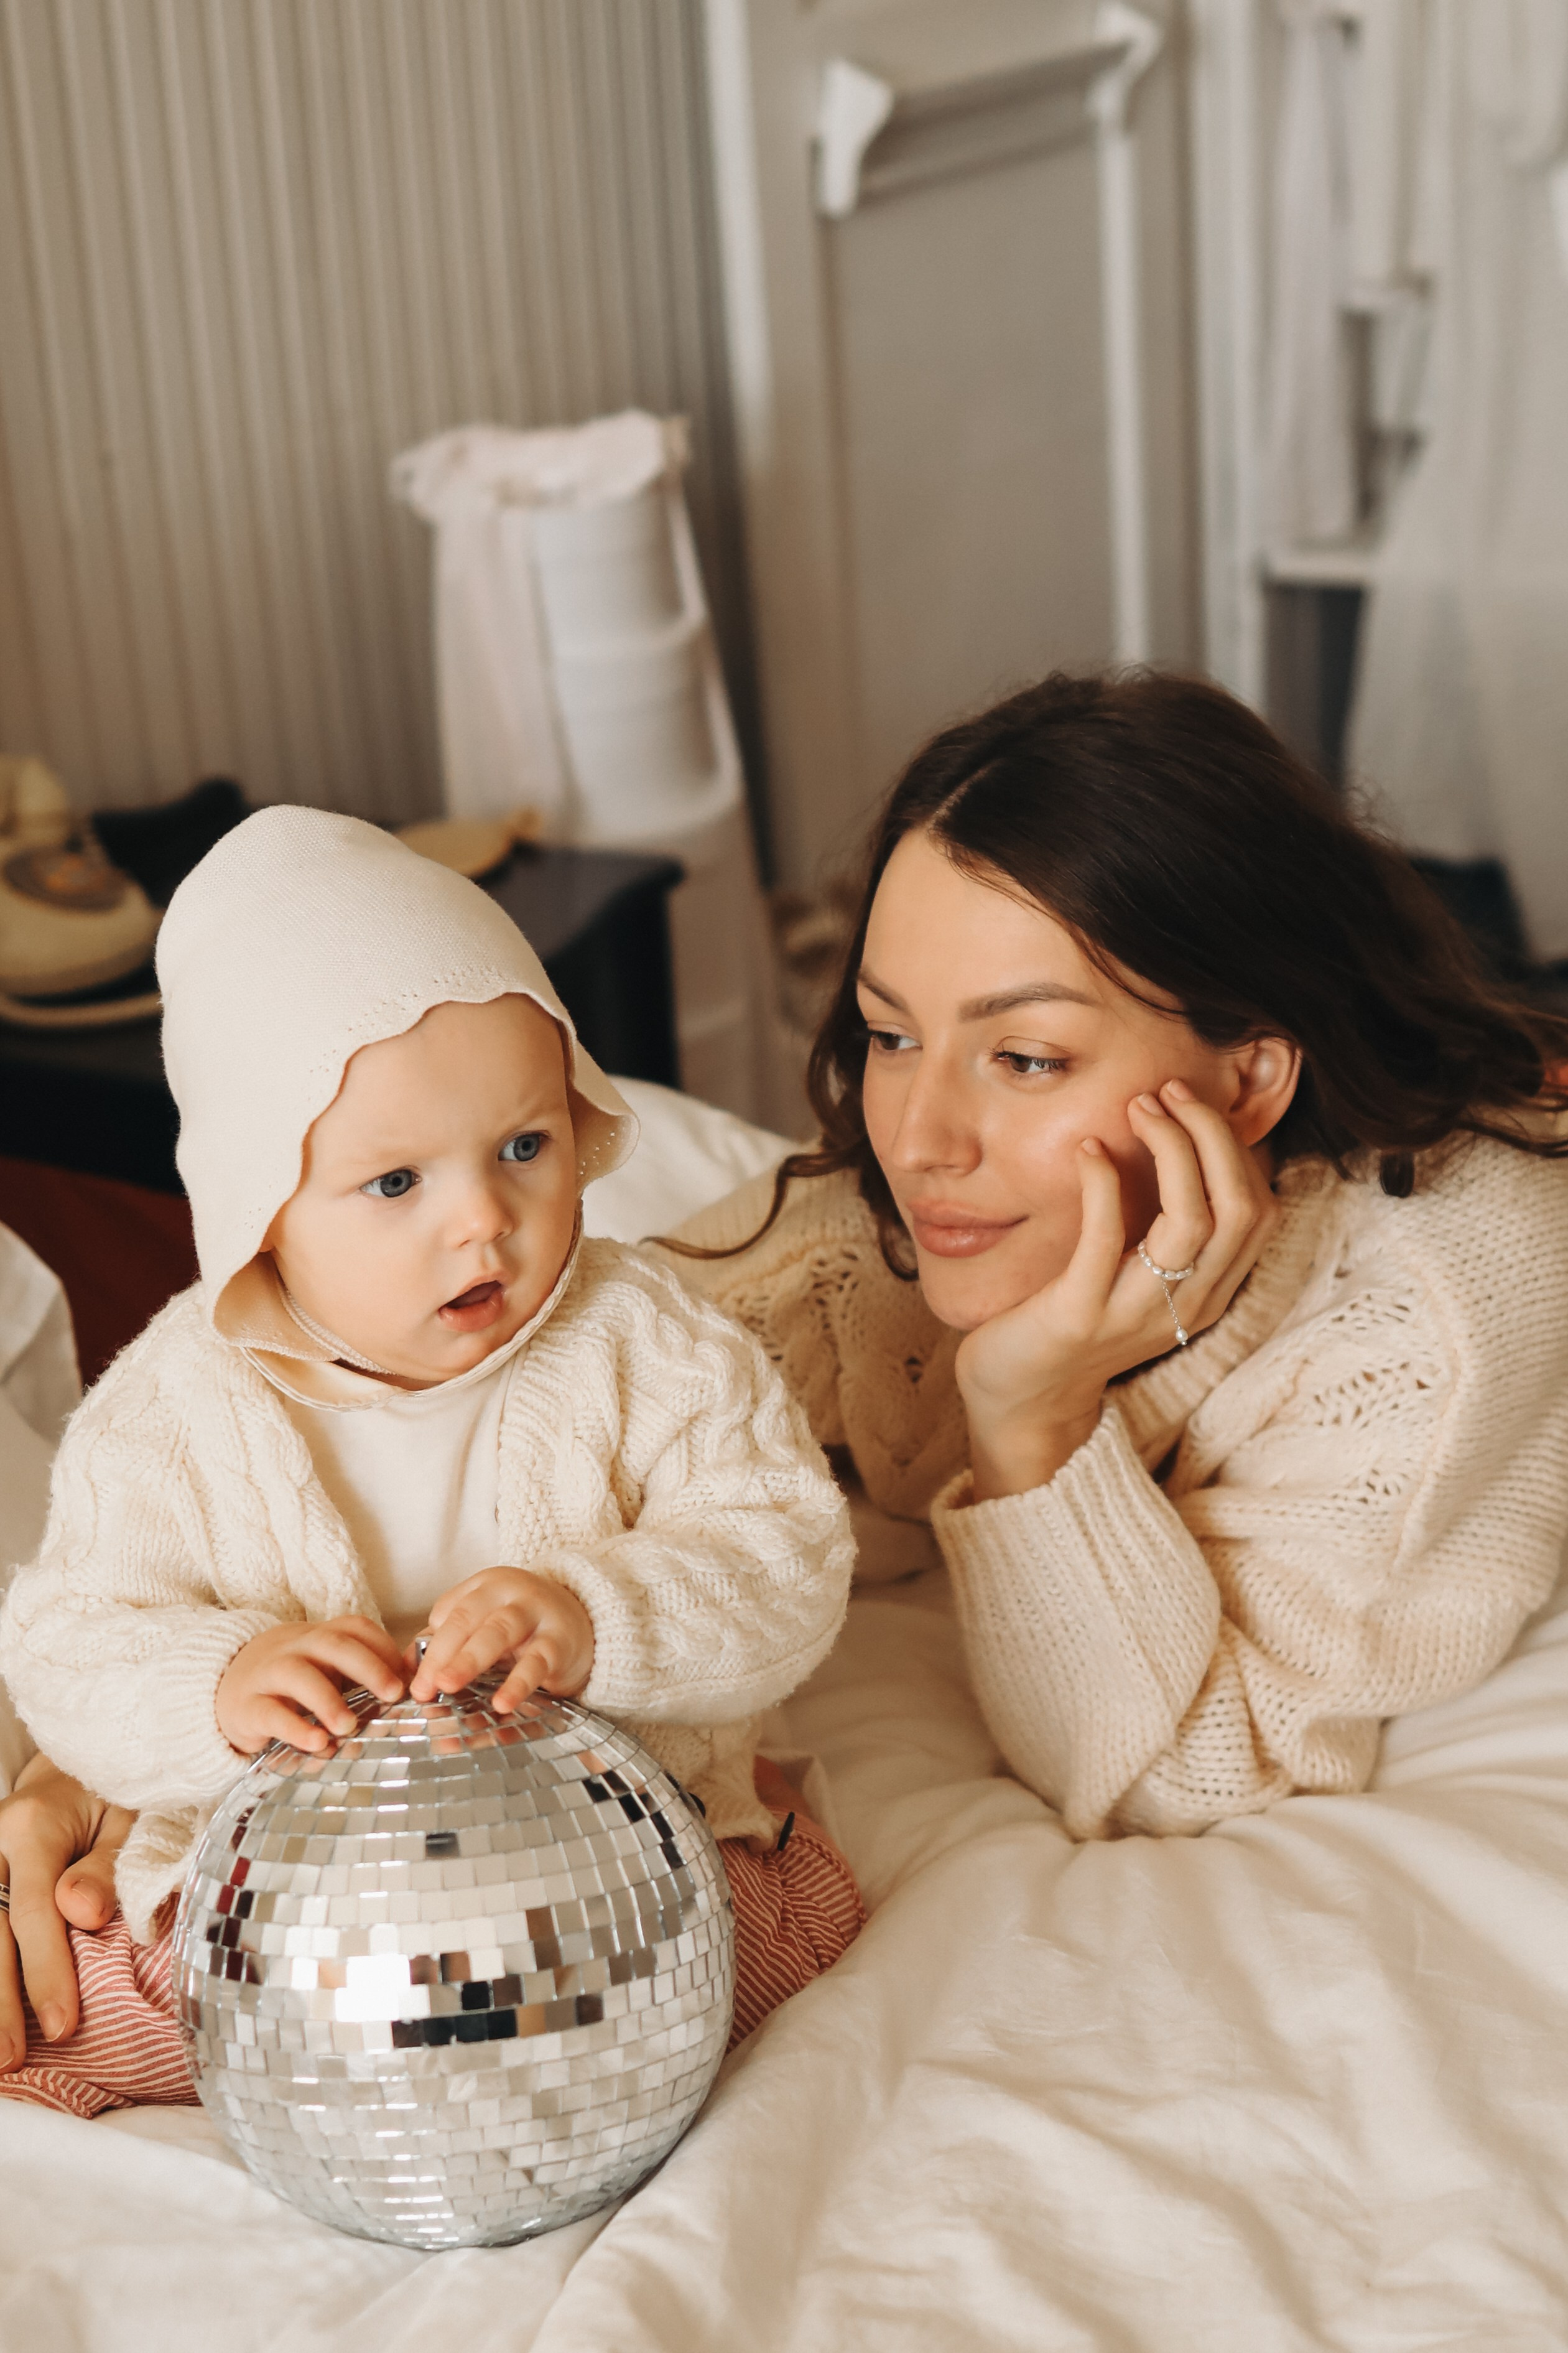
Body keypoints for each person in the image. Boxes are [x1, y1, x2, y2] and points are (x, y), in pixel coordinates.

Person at [0, 808, 859, 2115]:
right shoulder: (172, 1413)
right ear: (259, 1208)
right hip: (290, 1907)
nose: (484, 1220)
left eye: (524, 1146)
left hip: (612, 1866)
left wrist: (596, 1616)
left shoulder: (649, 1342)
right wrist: (216, 1683)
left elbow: (786, 1553)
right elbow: (66, 1641)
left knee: (773, 1929)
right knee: (92, 2020)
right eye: (395, 1182)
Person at [656, 668, 1568, 1838]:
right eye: (891, 1034)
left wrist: (1027, 1413)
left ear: (1245, 1082)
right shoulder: (958, 1182)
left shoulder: (1430, 1313)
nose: (918, 1141)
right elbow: (626, 1358)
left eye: (1026, 1058)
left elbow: (1165, 1771)